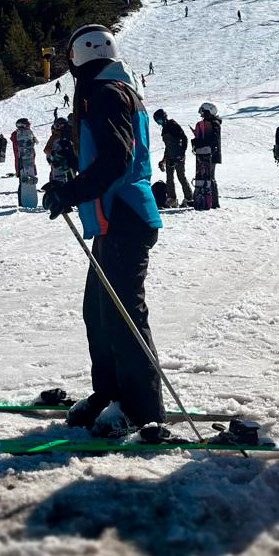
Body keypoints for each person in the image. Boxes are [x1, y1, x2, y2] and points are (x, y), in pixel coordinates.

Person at [41, 24, 165, 437]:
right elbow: (106, 155)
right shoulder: (108, 88)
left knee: (123, 314)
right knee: (98, 310)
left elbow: (116, 161)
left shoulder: (106, 93)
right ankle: (109, 395)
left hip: (125, 215)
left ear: (75, 60)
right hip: (115, 218)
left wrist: (70, 192)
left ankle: (140, 408)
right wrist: (67, 182)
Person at [152, 109, 192, 208]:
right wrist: (163, 160)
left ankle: (189, 198)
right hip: (170, 156)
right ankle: (172, 199)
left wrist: (181, 154)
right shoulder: (164, 129)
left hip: (178, 155)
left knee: (181, 176)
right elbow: (168, 146)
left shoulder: (173, 125)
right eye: (157, 122)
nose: (159, 123)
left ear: (164, 117)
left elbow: (184, 139)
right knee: (169, 178)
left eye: (160, 121)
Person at [192, 103, 221, 210]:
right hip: (205, 153)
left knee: (210, 177)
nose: (202, 115)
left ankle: (213, 202)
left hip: (211, 154)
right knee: (205, 176)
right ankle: (205, 199)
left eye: (204, 112)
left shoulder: (214, 123)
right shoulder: (208, 123)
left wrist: (200, 143)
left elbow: (213, 139)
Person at [44, 116, 77, 185]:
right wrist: (54, 154)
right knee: (58, 181)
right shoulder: (54, 137)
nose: (58, 128)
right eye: (57, 126)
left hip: (69, 163)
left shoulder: (69, 135)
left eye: (59, 126)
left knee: (71, 180)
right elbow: (46, 150)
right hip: (58, 164)